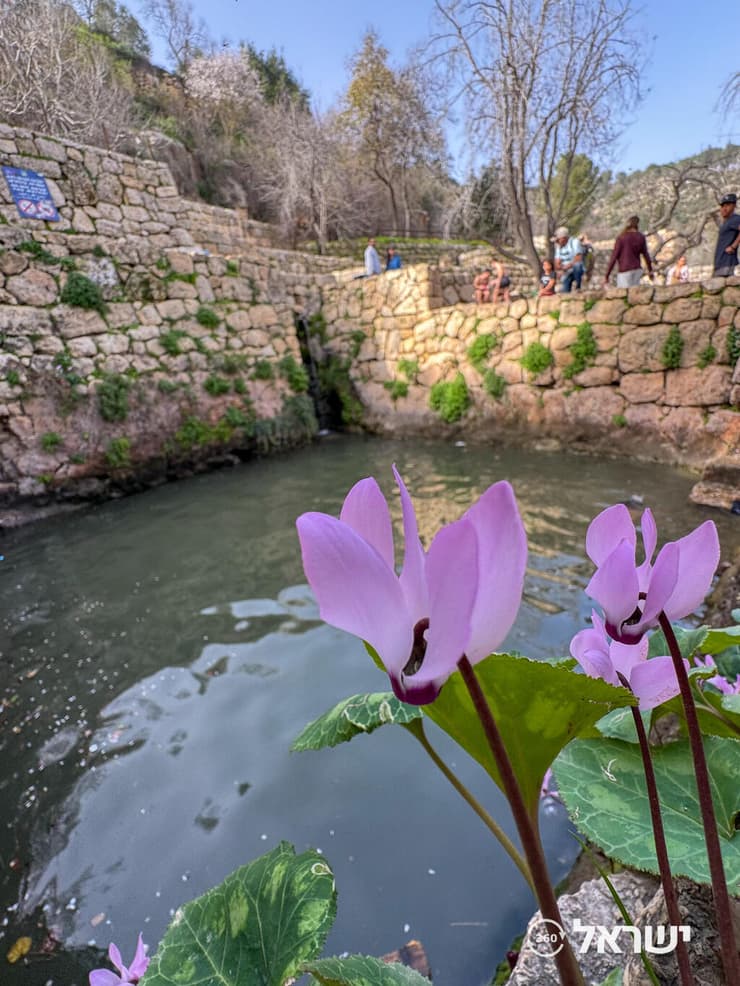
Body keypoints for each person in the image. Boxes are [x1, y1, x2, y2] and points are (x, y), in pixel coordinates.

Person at [603, 216, 653, 288]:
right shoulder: (641, 237)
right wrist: (650, 270)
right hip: (637, 269)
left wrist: (607, 275)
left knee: (624, 294)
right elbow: (646, 255)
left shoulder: (621, 238)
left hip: (625, 269)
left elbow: (614, 257)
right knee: (635, 293)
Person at [714, 193, 740, 278]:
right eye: (723, 206)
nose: (724, 208)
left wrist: (733, 246)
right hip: (719, 262)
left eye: (728, 205)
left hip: (727, 261)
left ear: (733, 206)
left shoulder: (735, 219)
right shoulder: (726, 222)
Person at [552, 227, 584, 293]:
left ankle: (578, 286)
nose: (557, 242)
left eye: (558, 240)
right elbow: (557, 262)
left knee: (577, 265)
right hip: (566, 272)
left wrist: (566, 266)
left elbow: (578, 258)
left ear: (563, 238)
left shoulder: (574, 242)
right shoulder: (559, 247)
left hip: (575, 270)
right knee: (565, 291)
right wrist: (560, 268)